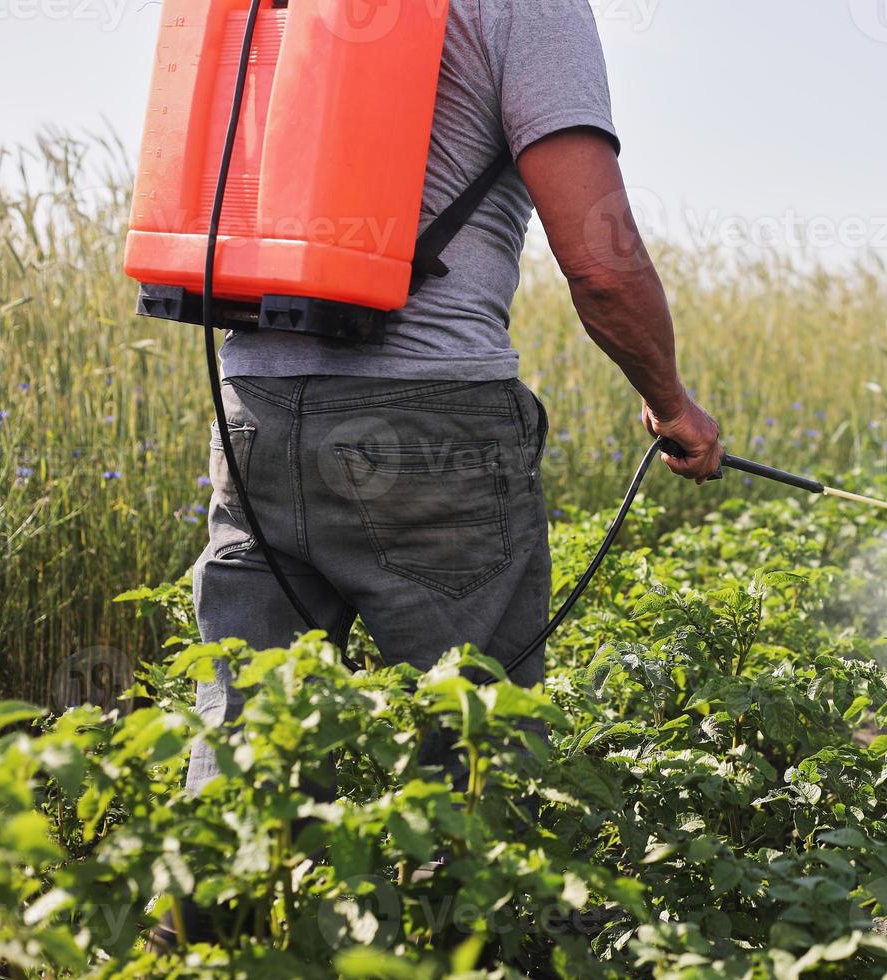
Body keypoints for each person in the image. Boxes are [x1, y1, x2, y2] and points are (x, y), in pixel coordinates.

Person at [184, 0, 724, 797]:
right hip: (429, 421)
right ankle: (454, 914)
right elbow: (603, 267)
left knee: (247, 755)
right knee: (476, 764)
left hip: (251, 407)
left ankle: (207, 916)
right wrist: (672, 403)